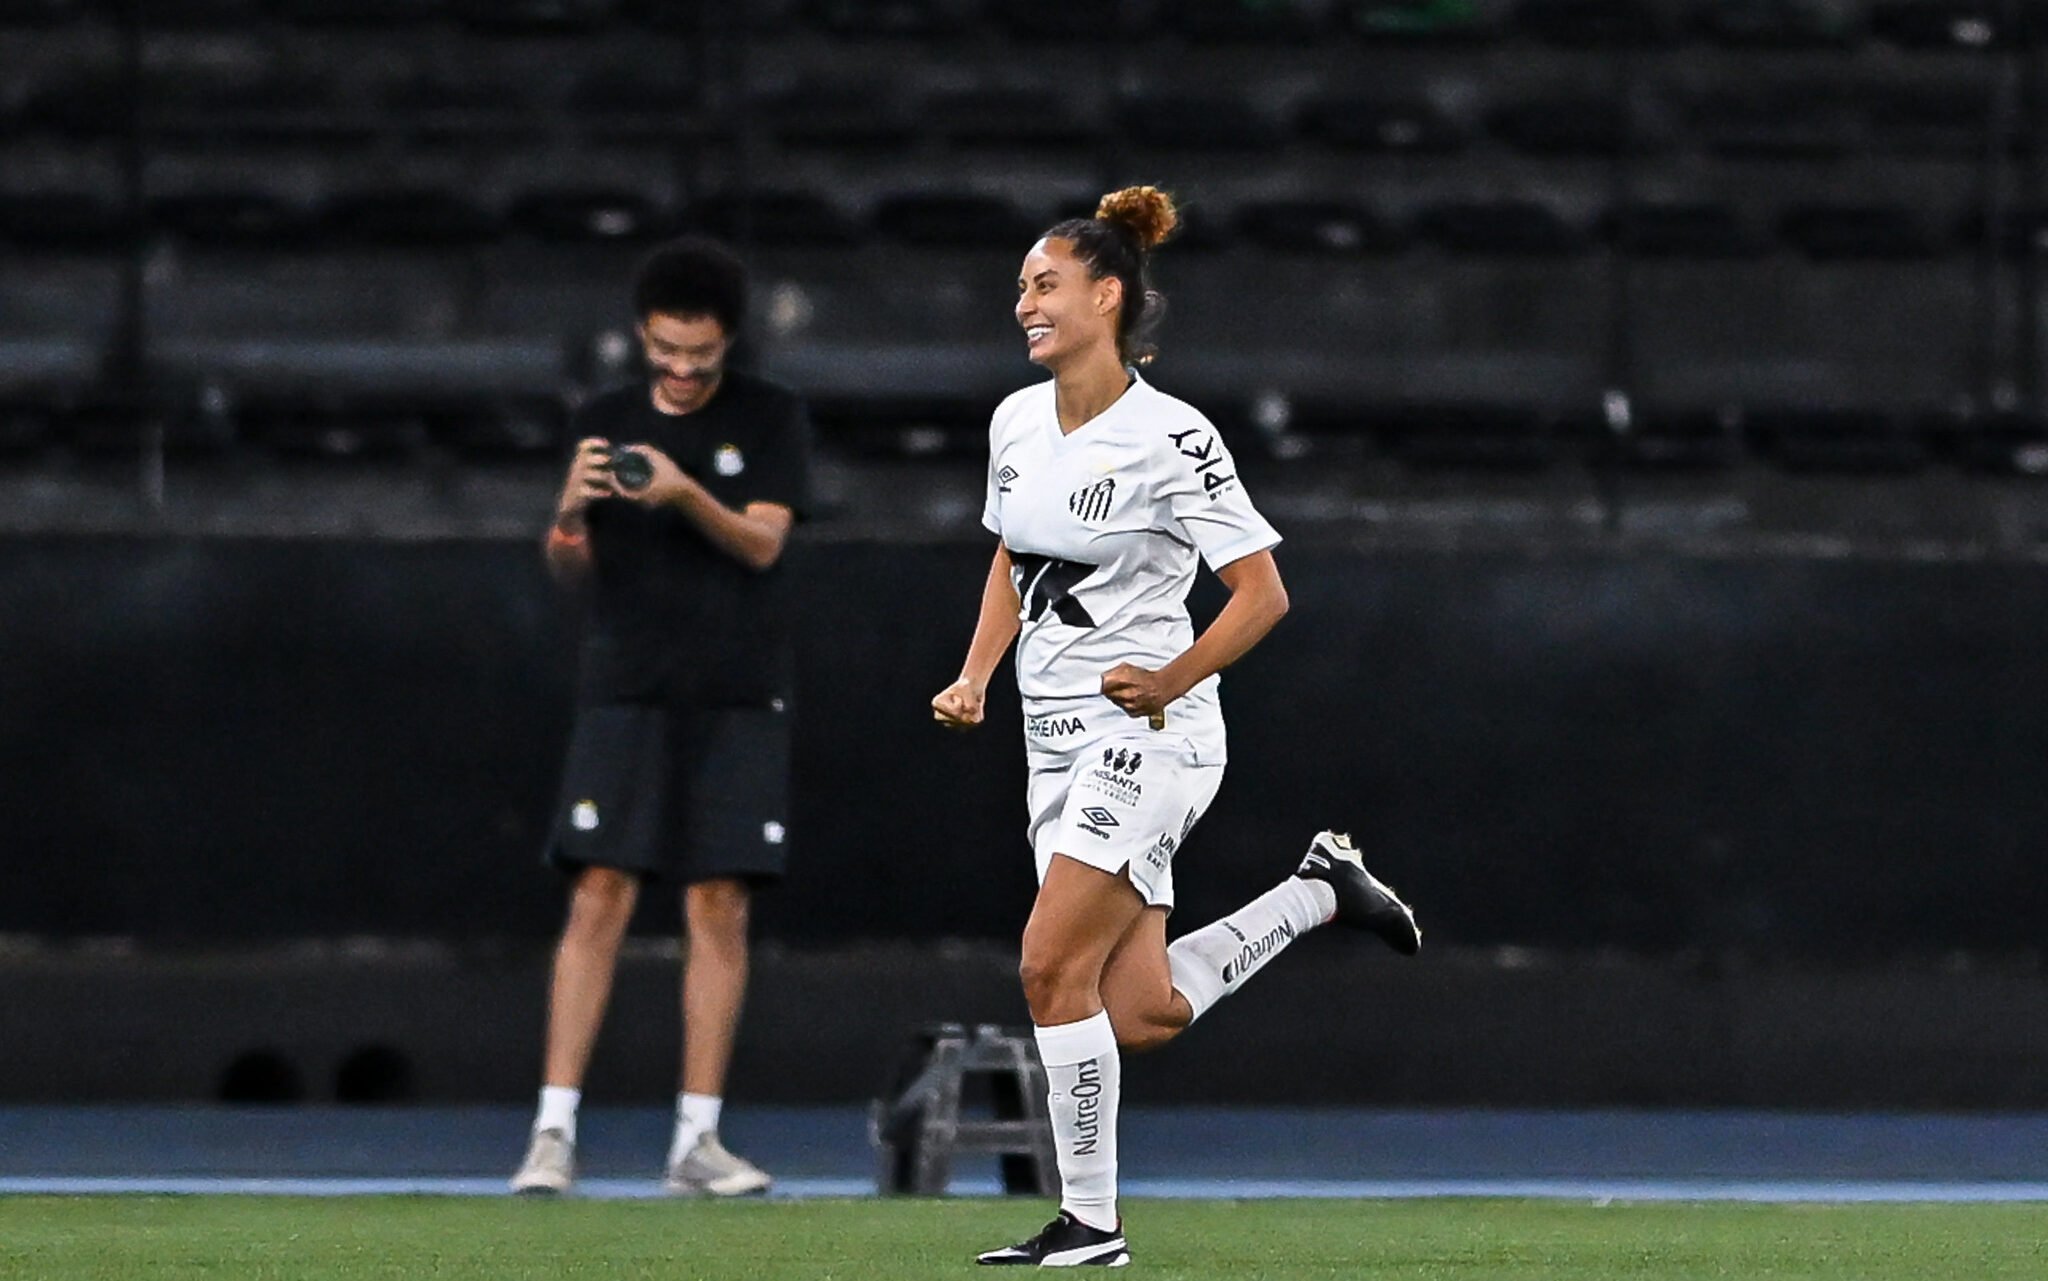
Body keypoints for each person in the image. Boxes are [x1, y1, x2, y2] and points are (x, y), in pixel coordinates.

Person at [931, 187, 1422, 1267]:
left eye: (1045, 285)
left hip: (1153, 737)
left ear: (1107, 296)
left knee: (1047, 966)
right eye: (1020, 287)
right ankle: (1320, 891)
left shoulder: (1171, 436)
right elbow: (1013, 557)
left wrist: (1169, 677)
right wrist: (975, 675)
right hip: (1052, 742)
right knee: (1136, 1011)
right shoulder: (1015, 421)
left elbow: (1262, 593)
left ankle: (1090, 1224)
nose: (1024, 303)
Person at [510, 236, 811, 1198]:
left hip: (736, 684)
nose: (681, 370)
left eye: (700, 354)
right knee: (597, 889)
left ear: (728, 343)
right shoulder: (603, 419)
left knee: (719, 899)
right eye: (666, 351)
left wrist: (685, 493)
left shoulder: (770, 415)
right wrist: (568, 513)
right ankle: (552, 1133)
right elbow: (570, 564)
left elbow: (763, 544)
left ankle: (697, 1138)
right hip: (626, 681)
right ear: (643, 337)